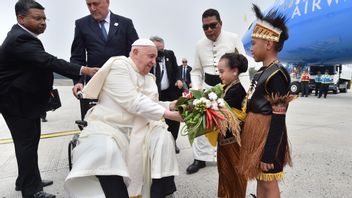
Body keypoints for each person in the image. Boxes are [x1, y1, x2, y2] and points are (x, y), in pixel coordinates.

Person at [0, 1, 98, 197]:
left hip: (22, 101)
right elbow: (48, 61)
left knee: (29, 142)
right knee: (26, 144)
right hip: (16, 103)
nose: (43, 22)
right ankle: (32, 191)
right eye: (37, 18)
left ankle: (27, 179)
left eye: (44, 18)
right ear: (21, 18)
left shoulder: (24, 36)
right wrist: (84, 70)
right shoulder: (20, 38)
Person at [65, 39, 182, 198]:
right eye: (151, 56)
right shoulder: (119, 66)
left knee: (164, 138)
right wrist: (169, 115)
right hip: (110, 125)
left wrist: (172, 105)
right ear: (135, 52)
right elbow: (133, 102)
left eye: (155, 58)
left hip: (142, 126)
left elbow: (151, 104)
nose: (154, 62)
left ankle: (158, 193)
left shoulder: (149, 78)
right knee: (105, 149)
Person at [238, 5, 293, 198]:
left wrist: (269, 152)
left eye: (254, 43)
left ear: (268, 44)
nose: (251, 48)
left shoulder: (277, 73)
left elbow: (278, 117)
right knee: (261, 178)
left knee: (269, 181)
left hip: (268, 135)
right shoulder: (263, 71)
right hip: (257, 132)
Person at [187, 8, 246, 174]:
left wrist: (244, 88)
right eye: (205, 27)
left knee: (227, 123)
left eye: (213, 25)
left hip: (229, 88)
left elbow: (243, 64)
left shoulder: (233, 38)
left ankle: (228, 154)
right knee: (199, 123)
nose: (209, 30)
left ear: (220, 24)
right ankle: (199, 158)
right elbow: (196, 71)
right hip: (207, 86)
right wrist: (197, 92)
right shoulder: (199, 45)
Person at [71, 0, 139, 95]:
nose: (92, 8)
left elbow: (136, 54)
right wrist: (78, 82)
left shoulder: (125, 23)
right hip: (95, 84)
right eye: (89, 5)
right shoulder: (81, 24)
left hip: (122, 83)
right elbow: (77, 57)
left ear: (107, 2)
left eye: (96, 4)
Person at [217, 53, 248, 198]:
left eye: (222, 71)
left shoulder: (236, 90)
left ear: (234, 71)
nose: (219, 75)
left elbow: (217, 111)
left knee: (234, 177)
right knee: (225, 175)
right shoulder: (228, 87)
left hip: (233, 142)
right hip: (225, 140)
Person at [149, 36, 182, 154]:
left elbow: (177, 69)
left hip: (171, 92)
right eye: (157, 49)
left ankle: (173, 141)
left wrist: (179, 79)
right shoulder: (149, 59)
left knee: (175, 120)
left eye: (162, 49)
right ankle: (162, 143)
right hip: (157, 94)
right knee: (161, 119)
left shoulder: (170, 54)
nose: (160, 52)